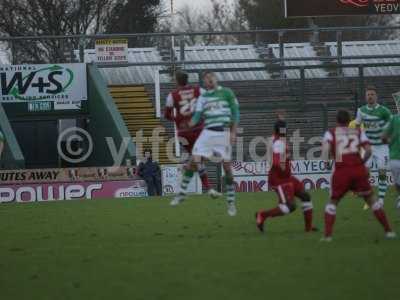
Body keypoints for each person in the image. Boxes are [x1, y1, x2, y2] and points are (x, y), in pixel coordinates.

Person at [171, 71, 240, 217]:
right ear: (205, 83)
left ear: (216, 79)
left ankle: (231, 202)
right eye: (206, 79)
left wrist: (233, 132)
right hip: (207, 133)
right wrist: (188, 124)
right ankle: (182, 193)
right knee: (193, 161)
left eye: (211, 77)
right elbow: (196, 117)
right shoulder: (203, 97)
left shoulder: (227, 93)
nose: (209, 79)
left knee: (227, 168)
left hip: (223, 133)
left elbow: (236, 112)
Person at [321, 109, 396, 242]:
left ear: (336, 120)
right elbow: (368, 150)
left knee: (333, 202)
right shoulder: (358, 132)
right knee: (372, 200)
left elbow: (325, 150)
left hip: (341, 172)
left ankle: (327, 236)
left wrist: (326, 162)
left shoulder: (330, 133)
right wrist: (361, 162)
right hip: (358, 171)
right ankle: (389, 231)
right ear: (350, 120)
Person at [164, 71, 219, 198]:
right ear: (187, 80)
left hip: (184, 133)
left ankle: (208, 187)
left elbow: (166, 115)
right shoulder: (198, 90)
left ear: (177, 81)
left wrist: (177, 120)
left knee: (198, 159)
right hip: (199, 129)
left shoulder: (172, 95)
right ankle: (189, 167)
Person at [255, 120, 316, 233]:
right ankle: (262, 215)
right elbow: (276, 160)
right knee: (290, 206)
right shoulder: (278, 142)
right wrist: (282, 166)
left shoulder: (276, 139)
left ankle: (308, 228)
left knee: (305, 196)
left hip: (287, 177)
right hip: (279, 179)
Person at [355, 86, 392, 208]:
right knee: (364, 173)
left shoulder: (384, 111)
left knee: (382, 172)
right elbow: (357, 126)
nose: (370, 96)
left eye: (372, 94)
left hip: (382, 147)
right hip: (368, 147)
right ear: (365, 97)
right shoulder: (361, 110)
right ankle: (368, 197)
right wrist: (358, 141)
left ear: (376, 96)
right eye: (368, 94)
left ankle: (380, 199)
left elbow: (391, 127)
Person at [382, 113, 400, 209]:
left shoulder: (394, 119)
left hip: (394, 158)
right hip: (395, 158)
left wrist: (390, 144)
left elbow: (383, 137)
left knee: (397, 183)